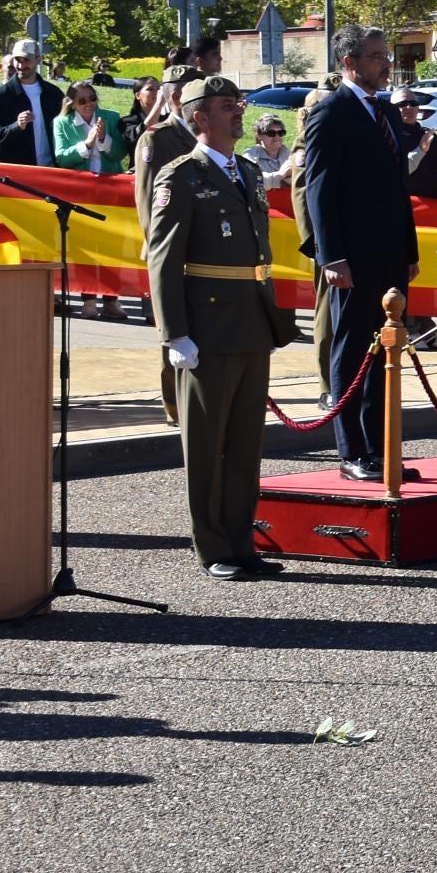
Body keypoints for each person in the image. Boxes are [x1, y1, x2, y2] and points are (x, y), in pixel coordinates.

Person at [144, 75, 299, 581]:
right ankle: (213, 545)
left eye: (238, 104)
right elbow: (163, 261)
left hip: (251, 319)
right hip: (207, 325)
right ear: (199, 118)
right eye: (225, 106)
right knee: (207, 444)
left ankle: (241, 538)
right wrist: (174, 333)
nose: (238, 112)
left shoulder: (250, 172)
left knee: (245, 440)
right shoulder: (180, 176)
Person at [295, 26, 423, 484]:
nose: (385, 64)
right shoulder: (331, 112)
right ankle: (352, 451)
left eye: (385, 55)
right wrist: (331, 257)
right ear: (349, 62)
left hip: (389, 252)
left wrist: (408, 248)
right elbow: (320, 191)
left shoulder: (384, 111)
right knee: (351, 350)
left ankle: (380, 447)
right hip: (353, 256)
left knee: (385, 351)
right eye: (375, 56)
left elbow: (396, 188)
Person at [0, 41, 63, 168]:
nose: (21, 65)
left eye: (26, 60)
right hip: (17, 173)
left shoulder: (53, 93)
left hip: (50, 170)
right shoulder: (1, 95)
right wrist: (16, 126)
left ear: (38, 59)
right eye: (17, 60)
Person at [52, 80, 126, 175]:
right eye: (82, 101)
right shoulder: (61, 122)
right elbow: (62, 159)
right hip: (80, 183)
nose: (89, 103)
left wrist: (104, 139)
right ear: (72, 104)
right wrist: (86, 145)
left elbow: (120, 154)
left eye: (92, 98)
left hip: (111, 181)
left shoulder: (112, 117)